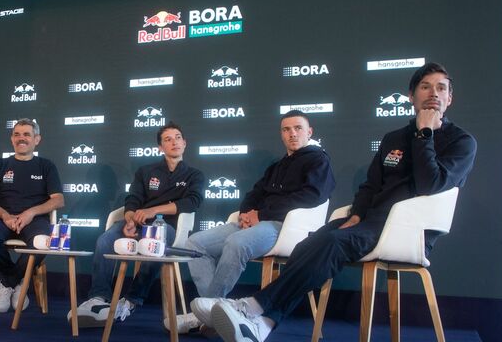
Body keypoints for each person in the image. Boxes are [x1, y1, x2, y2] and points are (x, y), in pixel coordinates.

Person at [193, 62, 478, 342]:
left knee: (332, 244)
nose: (433, 93)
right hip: (369, 222)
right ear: (411, 96)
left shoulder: (461, 142)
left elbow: (430, 183)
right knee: (308, 245)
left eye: (441, 88)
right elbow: (371, 184)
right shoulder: (394, 138)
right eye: (425, 87)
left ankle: (252, 307)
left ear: (450, 98)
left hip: (409, 229)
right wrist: (356, 213)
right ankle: (263, 324)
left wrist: (424, 133)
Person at [169, 110, 335, 333]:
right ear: (282, 134)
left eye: (298, 128)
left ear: (309, 132)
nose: (292, 134)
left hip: (284, 227)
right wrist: (247, 213)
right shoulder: (277, 165)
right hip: (256, 223)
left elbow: (312, 196)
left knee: (238, 242)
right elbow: (255, 193)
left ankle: (206, 313)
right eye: (286, 130)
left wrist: (262, 214)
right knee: (195, 244)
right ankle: (213, 311)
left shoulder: (318, 160)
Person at [72, 122, 205, 327]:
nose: (174, 142)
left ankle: (132, 300)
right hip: (139, 222)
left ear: (185, 143)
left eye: (178, 137)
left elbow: (192, 202)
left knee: (154, 245)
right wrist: (129, 219)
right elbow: (133, 199)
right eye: (168, 139)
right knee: (105, 240)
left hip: (168, 227)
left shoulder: (194, 174)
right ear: (160, 147)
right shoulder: (146, 171)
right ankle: (99, 297)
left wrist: (154, 210)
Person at [0, 118, 64, 313]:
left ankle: (7, 283)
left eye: (26, 134)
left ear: (37, 139)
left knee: (43, 243)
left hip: (33, 221)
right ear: (12, 139)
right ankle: (16, 281)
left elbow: (58, 200)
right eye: (17, 134)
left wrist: (31, 212)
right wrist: (5, 215)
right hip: (1, 218)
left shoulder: (46, 166)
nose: (21, 138)